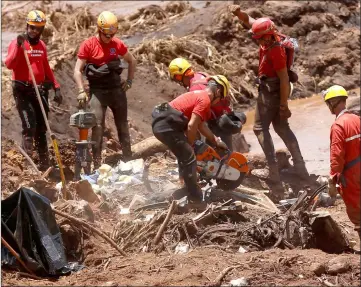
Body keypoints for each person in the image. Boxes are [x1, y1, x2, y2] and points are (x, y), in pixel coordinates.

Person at [229, 5, 309, 185]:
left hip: (272, 91)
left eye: (260, 39)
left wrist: (284, 105)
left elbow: (283, 79)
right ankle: (300, 168)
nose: (258, 42)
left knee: (259, 128)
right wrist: (239, 13)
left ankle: (273, 171)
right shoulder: (270, 35)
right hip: (273, 90)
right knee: (282, 128)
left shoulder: (275, 50)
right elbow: (250, 21)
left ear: (268, 35)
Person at [74, 11, 136, 168]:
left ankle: (128, 159)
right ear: (99, 30)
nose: (110, 38)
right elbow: (77, 70)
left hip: (116, 89)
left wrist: (129, 81)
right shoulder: (88, 45)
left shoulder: (117, 44)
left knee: (122, 125)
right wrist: (81, 90)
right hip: (98, 91)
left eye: (112, 34)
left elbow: (132, 60)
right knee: (98, 126)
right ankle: (96, 163)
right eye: (107, 35)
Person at [152, 75, 230, 201]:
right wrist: (191, 143)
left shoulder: (198, 94)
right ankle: (195, 198)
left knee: (184, 155)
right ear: (218, 92)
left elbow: (201, 125)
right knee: (189, 157)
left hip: (163, 121)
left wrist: (216, 141)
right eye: (220, 99)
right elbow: (192, 125)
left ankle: (184, 185)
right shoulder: (205, 100)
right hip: (166, 125)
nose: (217, 103)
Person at [5, 10, 63, 171]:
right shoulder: (18, 43)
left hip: (38, 91)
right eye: (31, 27)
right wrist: (18, 45)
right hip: (22, 89)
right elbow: (9, 64)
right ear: (27, 26)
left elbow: (46, 68)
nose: (34, 31)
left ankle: (45, 164)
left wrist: (56, 86)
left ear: (42, 30)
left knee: (42, 128)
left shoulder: (42, 45)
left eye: (38, 29)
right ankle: (27, 166)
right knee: (29, 126)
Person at [168, 58, 246, 150]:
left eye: (176, 78)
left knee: (221, 155)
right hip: (226, 115)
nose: (178, 82)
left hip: (218, 122)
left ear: (179, 76)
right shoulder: (202, 75)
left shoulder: (194, 88)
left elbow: (197, 121)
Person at [323, 85, 360, 239]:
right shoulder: (356, 118)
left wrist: (333, 178)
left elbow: (336, 155)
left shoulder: (338, 126)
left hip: (351, 174)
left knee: (356, 210)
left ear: (332, 103)